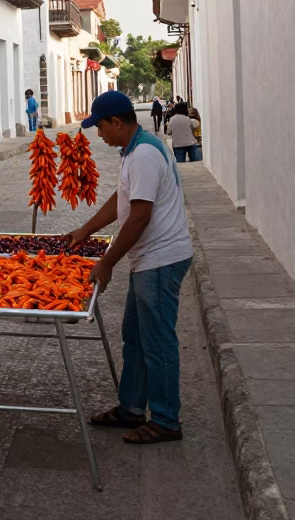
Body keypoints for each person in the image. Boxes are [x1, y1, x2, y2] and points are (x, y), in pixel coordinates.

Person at [65, 90, 194, 444]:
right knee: (135, 338)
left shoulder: (144, 156)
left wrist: (107, 263)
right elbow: (122, 200)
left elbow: (138, 217)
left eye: (101, 128)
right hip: (147, 260)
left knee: (157, 341)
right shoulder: (135, 149)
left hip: (160, 260)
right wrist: (86, 229)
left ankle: (167, 420)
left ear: (116, 122)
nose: (99, 135)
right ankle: (132, 408)